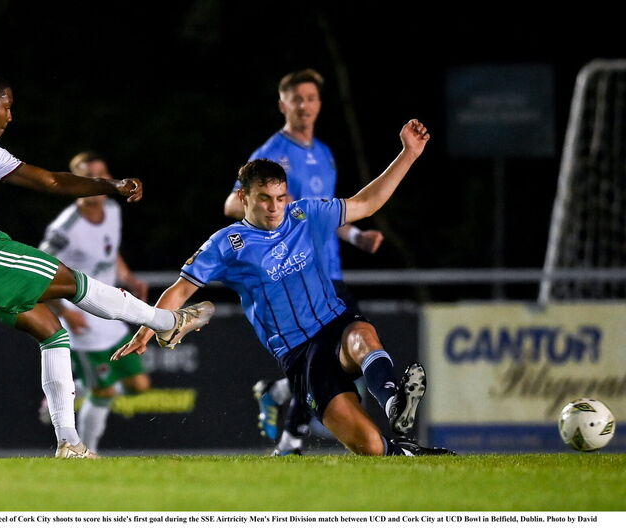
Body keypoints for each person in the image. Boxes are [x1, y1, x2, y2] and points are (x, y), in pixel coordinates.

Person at [0, 71, 213, 459]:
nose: (10, 116)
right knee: (76, 283)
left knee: (54, 334)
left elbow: (50, 181)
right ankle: (168, 323)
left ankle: (69, 441)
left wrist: (110, 186)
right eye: (6, 106)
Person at [114, 120, 454, 456]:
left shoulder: (305, 213)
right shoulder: (227, 244)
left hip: (335, 325)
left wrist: (409, 153)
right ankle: (408, 454)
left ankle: (396, 404)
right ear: (243, 197)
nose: (275, 207)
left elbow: (366, 203)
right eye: (264, 198)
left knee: (361, 335)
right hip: (298, 354)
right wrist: (149, 328)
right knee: (370, 447)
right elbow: (181, 290)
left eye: (280, 197)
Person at [223, 68, 385, 455]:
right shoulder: (272, 154)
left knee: (336, 353)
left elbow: (322, 215)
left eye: (312, 98)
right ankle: (291, 434)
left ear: (319, 104)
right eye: (298, 99)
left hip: (329, 271)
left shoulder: (324, 154)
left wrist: (356, 235)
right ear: (284, 105)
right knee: (335, 352)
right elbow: (233, 204)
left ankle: (282, 405)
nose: (305, 106)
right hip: (295, 274)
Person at [38, 151, 151, 455]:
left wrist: (128, 277)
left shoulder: (113, 209)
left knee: (139, 385)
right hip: (82, 316)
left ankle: (77, 384)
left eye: (102, 174)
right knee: (106, 390)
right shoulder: (65, 229)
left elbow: (109, 251)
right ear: (77, 183)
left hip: (110, 310)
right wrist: (64, 313)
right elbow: (40, 273)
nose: (99, 182)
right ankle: (87, 451)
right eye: (90, 177)